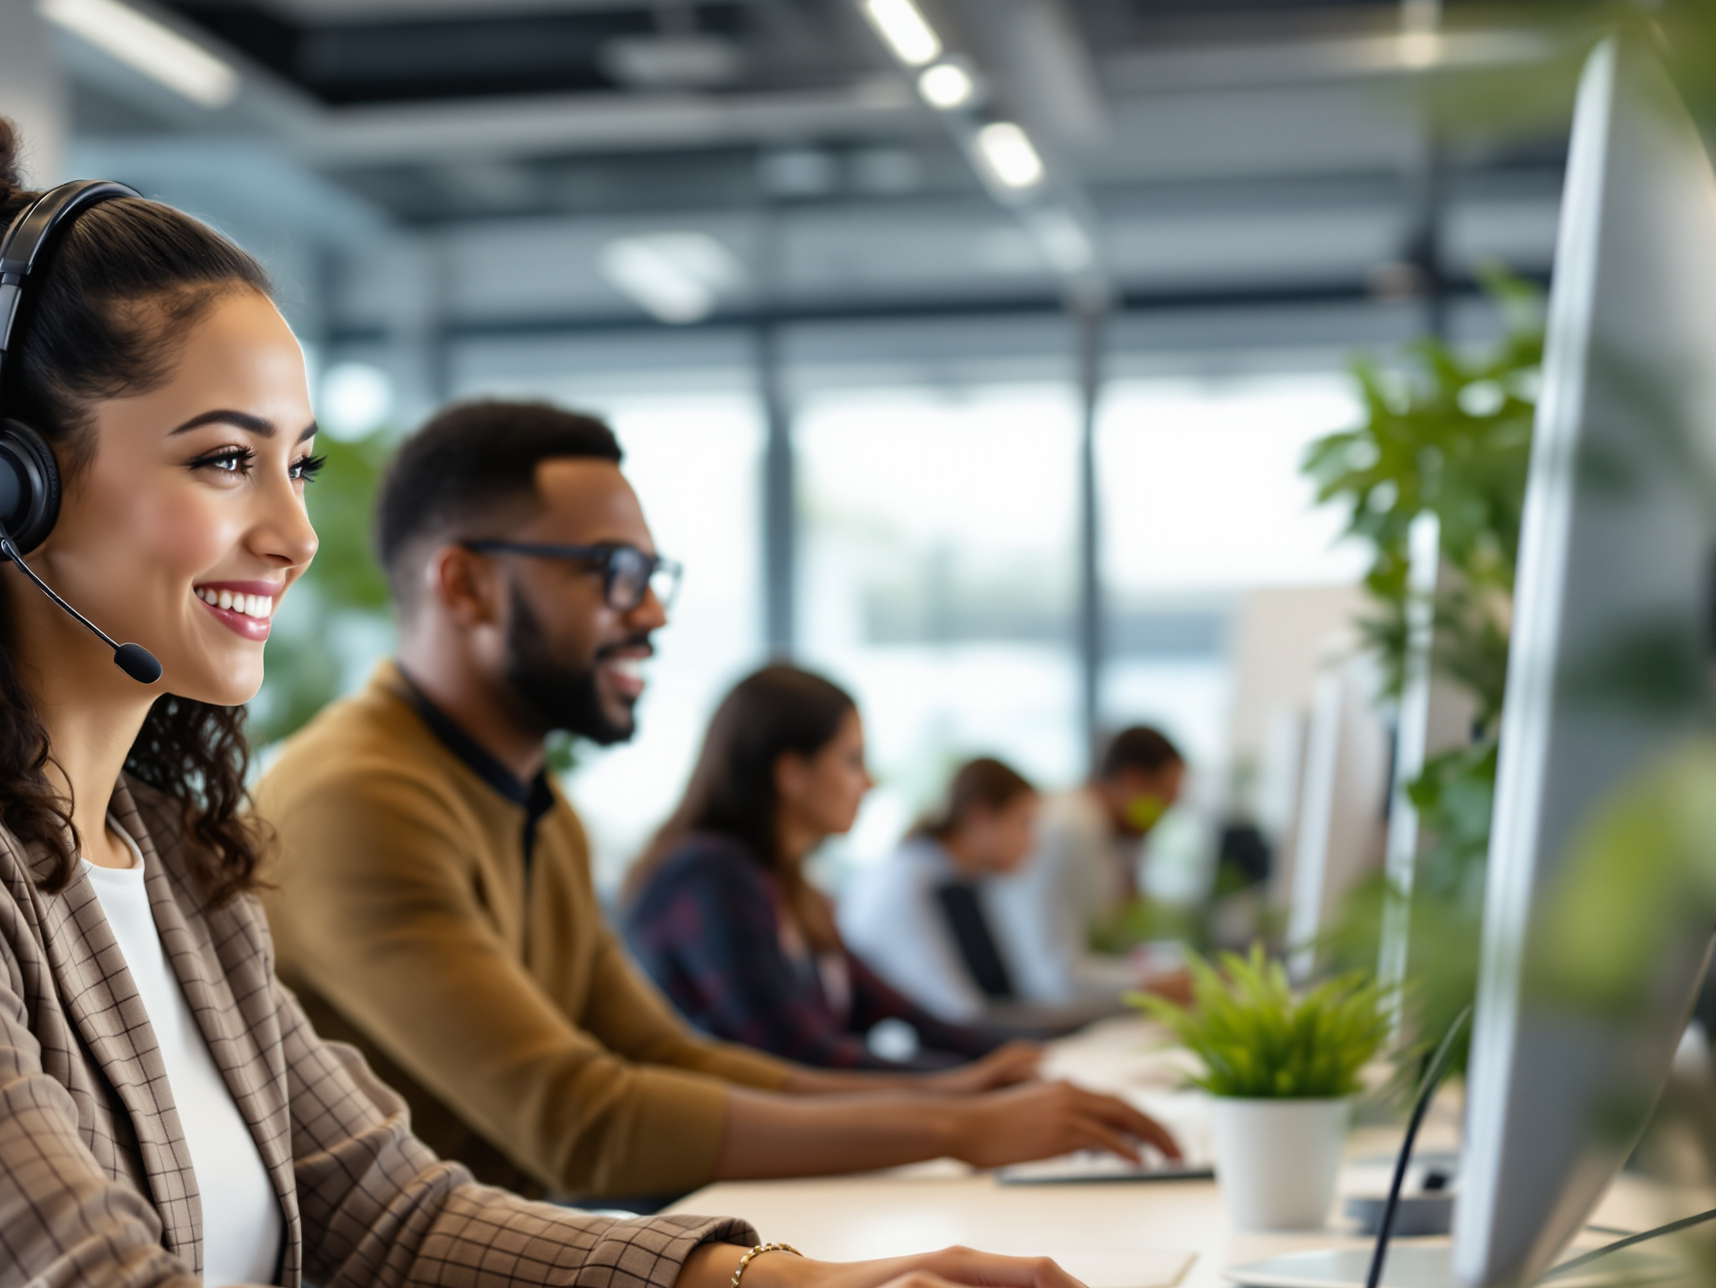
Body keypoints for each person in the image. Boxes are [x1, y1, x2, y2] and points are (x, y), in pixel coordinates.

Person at [0, 86, 1140, 1288]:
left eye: (297, 466)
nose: (289, 532)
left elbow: (400, 1221)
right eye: (223, 460)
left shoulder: (161, 851)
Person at [255, 400, 1177, 1204]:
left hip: (516, 1278)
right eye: (611, 571)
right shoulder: (357, 799)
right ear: (466, 585)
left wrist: (950, 1097)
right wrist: (956, 1129)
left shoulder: (535, 802)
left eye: (652, 577)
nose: (651, 613)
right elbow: (580, 1123)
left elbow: (668, 1056)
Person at [621, 667, 1043, 1075]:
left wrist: (1031, 1057)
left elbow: (904, 1013)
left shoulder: (793, 890)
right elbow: (795, 1054)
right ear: (791, 773)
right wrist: (963, 1083)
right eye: (852, 760)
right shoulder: (711, 875)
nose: (869, 783)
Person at [838, 754, 1102, 1030]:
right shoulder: (914, 881)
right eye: (1024, 823)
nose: (1033, 843)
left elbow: (997, 998)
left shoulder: (961, 878)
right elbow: (957, 1015)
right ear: (980, 815)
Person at [989, 725, 1194, 1005]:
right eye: (1164, 801)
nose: (1162, 818)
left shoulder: (1103, 832)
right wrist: (1155, 985)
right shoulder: (1071, 829)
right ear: (1132, 780)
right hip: (1039, 1009)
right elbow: (1055, 975)